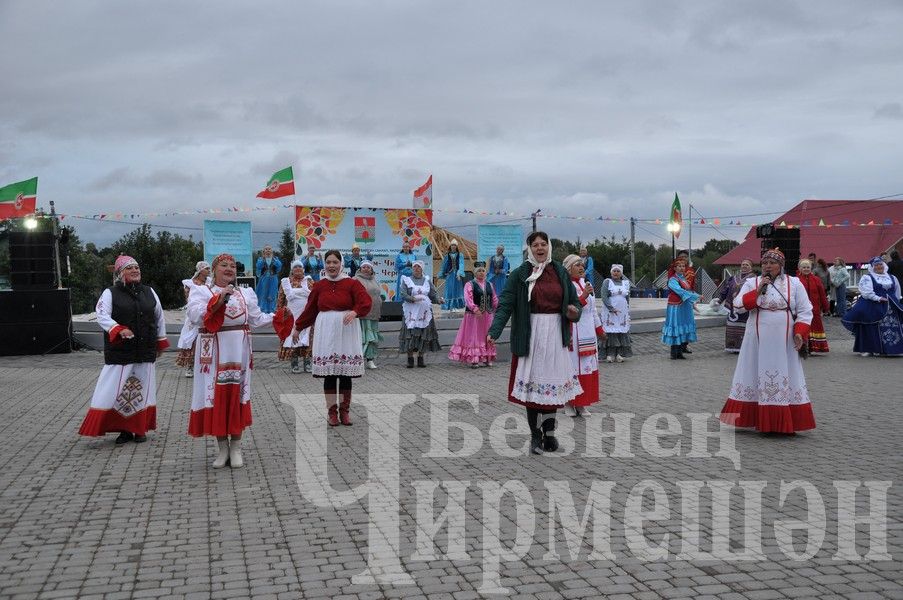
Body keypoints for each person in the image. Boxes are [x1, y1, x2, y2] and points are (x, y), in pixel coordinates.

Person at [487, 231, 582, 456]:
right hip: (532, 334)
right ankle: (535, 436)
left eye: (543, 244)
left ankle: (550, 434)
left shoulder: (559, 271)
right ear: (529, 248)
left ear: (549, 247)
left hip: (555, 335)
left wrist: (573, 311)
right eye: (535, 245)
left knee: (552, 387)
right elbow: (506, 304)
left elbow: (575, 302)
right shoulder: (521, 274)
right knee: (533, 388)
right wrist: (494, 330)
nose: (540, 248)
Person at [187, 253, 283, 468]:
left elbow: (256, 319)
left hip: (238, 350)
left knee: (236, 395)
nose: (229, 269)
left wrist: (278, 317)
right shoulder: (202, 291)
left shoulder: (245, 293)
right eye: (223, 265)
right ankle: (222, 449)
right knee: (216, 396)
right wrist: (218, 299)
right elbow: (195, 315)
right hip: (213, 351)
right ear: (214, 270)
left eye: (232, 265)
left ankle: (237, 447)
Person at [719, 248, 815, 434]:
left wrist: (800, 332)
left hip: (784, 340)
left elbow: (805, 310)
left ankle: (785, 419)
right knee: (753, 372)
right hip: (756, 339)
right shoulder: (751, 283)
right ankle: (753, 417)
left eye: (772, 263)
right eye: (765, 263)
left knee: (785, 374)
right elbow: (737, 306)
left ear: (781, 265)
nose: (768, 266)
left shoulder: (794, 283)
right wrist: (757, 291)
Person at [79, 255, 170, 443]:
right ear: (121, 273)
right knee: (118, 390)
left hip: (144, 350)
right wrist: (118, 328)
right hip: (121, 351)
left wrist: (160, 341)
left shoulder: (150, 292)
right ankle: (124, 430)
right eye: (130, 268)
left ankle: (139, 429)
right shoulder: (110, 293)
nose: (135, 270)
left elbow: (159, 317)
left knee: (142, 390)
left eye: (137, 267)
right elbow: (102, 314)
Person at [293, 250, 373, 426]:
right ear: (324, 265)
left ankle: (345, 412)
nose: (331, 266)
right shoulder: (320, 286)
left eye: (335, 262)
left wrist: (355, 311)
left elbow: (365, 301)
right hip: (326, 330)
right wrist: (298, 327)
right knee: (330, 374)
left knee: (345, 375)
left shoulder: (352, 283)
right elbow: (310, 309)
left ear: (341, 263)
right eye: (328, 262)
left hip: (347, 329)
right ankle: (332, 413)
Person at [562, 254, 605, 417]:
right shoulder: (566, 286)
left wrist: (599, 330)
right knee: (572, 369)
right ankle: (568, 403)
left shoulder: (585, 284)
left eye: (582, 264)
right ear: (568, 269)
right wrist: (584, 296)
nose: (581, 267)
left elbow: (593, 310)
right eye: (577, 265)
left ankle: (582, 403)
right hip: (574, 332)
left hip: (588, 334)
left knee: (587, 369)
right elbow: (568, 308)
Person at [841, 256, 903, 357]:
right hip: (874, 304)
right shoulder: (868, 278)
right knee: (872, 326)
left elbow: (897, 291)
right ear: (872, 267)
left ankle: (894, 349)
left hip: (891, 307)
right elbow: (866, 292)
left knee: (893, 326)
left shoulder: (892, 277)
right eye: (876, 265)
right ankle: (871, 348)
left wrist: (896, 302)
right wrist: (877, 298)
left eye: (880, 264)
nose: (879, 266)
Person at [448, 261, 498, 367]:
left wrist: (498, 307)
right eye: (479, 271)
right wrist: (475, 309)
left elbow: (494, 298)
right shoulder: (469, 284)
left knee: (487, 336)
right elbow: (468, 298)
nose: (481, 273)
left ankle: (487, 358)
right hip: (474, 315)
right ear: (475, 273)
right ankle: (474, 358)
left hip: (487, 315)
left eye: (483, 271)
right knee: (475, 337)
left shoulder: (489, 284)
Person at [399, 260, 443, 367]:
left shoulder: (427, 280)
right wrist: (412, 298)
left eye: (418, 267)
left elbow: (433, 295)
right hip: (411, 311)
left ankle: (420, 357)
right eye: (415, 267)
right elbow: (403, 294)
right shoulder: (406, 280)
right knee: (410, 333)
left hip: (425, 311)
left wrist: (438, 300)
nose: (416, 269)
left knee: (424, 333)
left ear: (422, 269)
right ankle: (410, 358)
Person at [176, 260, 211, 377]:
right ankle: (189, 366)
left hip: (207, 314)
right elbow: (189, 300)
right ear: (201, 270)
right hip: (194, 315)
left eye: (209, 269)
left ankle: (204, 365)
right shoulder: (190, 283)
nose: (209, 271)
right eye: (206, 269)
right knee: (191, 339)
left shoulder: (210, 283)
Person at [278, 261, 314, 373]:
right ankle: (294, 363)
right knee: (292, 338)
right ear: (292, 270)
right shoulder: (286, 282)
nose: (298, 269)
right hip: (291, 316)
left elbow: (315, 297)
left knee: (307, 338)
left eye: (300, 267)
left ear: (303, 269)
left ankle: (307, 363)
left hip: (306, 315)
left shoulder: (309, 281)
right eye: (295, 267)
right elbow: (280, 299)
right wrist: (281, 313)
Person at [661, 257, 700, 359]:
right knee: (676, 326)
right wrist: (695, 296)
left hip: (684, 306)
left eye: (683, 266)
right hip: (676, 307)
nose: (682, 268)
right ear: (674, 268)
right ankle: (674, 352)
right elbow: (680, 291)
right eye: (679, 266)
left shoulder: (684, 279)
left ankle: (680, 352)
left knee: (682, 326)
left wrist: (696, 296)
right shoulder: (672, 279)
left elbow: (689, 291)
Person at [716, 259, 756, 353]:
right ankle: (732, 347)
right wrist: (720, 300)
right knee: (732, 327)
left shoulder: (754, 279)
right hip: (732, 307)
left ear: (751, 267)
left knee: (744, 327)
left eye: (747, 265)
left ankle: (744, 348)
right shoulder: (733, 278)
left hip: (745, 307)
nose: (744, 266)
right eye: (743, 264)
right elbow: (726, 289)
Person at [353, 260, 384, 369]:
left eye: (368, 267)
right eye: (364, 267)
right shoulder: (355, 279)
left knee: (372, 338)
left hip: (374, 313)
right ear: (360, 268)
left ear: (371, 269)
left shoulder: (374, 279)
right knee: (362, 337)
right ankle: (358, 359)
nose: (366, 269)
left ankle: (370, 359)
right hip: (362, 314)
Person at [599, 263, 633, 362]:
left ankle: (619, 353)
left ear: (621, 273)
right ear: (611, 272)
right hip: (611, 312)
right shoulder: (607, 282)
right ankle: (610, 354)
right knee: (611, 332)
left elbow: (627, 297)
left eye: (618, 271)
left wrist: (627, 309)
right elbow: (604, 296)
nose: (616, 273)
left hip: (622, 312)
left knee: (621, 332)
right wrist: (611, 308)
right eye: (614, 271)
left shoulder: (625, 283)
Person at [797, 259, 830, 353]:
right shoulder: (796, 280)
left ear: (811, 268)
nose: (806, 269)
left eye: (808, 267)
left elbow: (822, 294)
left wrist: (825, 307)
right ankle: (803, 347)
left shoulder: (816, 280)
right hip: (801, 309)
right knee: (803, 327)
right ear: (800, 268)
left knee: (815, 327)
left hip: (815, 309)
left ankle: (814, 347)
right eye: (804, 267)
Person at [255, 245, 282, 313]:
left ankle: (272, 310)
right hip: (264, 279)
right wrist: (264, 259)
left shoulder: (275, 258)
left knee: (272, 294)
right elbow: (258, 266)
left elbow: (279, 266)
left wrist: (274, 260)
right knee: (263, 293)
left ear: (271, 251)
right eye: (266, 249)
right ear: (264, 251)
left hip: (273, 279)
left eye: (269, 249)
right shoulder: (261, 259)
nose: (268, 250)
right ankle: (263, 310)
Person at [440, 240, 466, 311]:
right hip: (450, 274)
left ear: (456, 247)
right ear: (450, 246)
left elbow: (461, 264)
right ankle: (450, 307)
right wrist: (442, 273)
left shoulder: (460, 255)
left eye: (454, 245)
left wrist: (459, 273)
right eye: (452, 245)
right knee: (449, 289)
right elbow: (444, 265)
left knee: (457, 289)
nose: (453, 246)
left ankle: (455, 306)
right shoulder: (447, 255)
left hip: (457, 275)